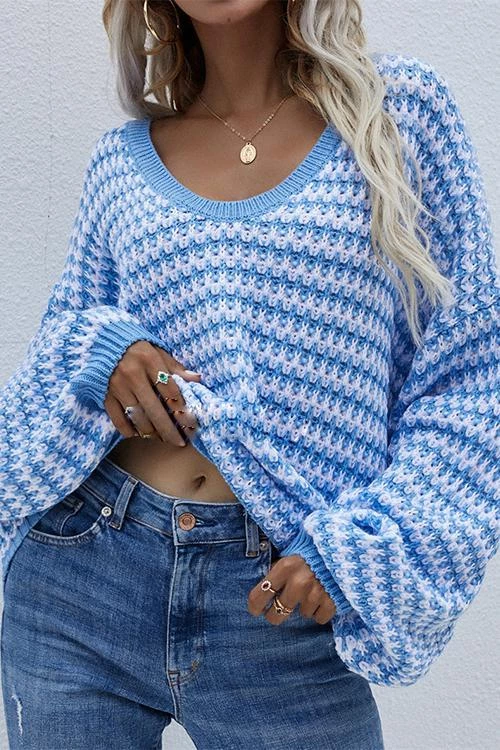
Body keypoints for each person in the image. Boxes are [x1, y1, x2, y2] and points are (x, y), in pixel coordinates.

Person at [0, 0, 498, 747]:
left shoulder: (398, 116)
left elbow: (472, 376)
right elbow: (59, 346)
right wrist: (106, 350)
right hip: (84, 572)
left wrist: (368, 546)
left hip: (282, 597)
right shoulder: (121, 162)